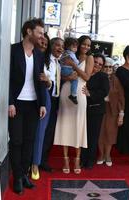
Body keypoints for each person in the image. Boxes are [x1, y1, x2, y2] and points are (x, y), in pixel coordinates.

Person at [8, 18, 46, 195]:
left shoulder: (39, 54)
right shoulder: (13, 50)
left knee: (29, 142)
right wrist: (10, 102)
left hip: (33, 104)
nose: (42, 36)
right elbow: (5, 79)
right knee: (16, 142)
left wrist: (43, 104)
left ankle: (24, 175)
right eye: (39, 32)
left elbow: (40, 80)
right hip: (16, 103)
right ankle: (16, 177)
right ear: (29, 32)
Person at [53, 35, 93, 174]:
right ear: (78, 44)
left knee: (78, 126)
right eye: (84, 44)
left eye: (89, 45)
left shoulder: (89, 58)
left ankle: (76, 159)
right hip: (66, 92)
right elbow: (59, 75)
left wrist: (74, 65)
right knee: (65, 126)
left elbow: (87, 77)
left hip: (80, 94)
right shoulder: (67, 55)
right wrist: (68, 77)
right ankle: (65, 159)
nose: (86, 47)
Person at [39, 38, 65, 172]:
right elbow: (43, 79)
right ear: (51, 46)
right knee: (42, 132)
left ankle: (43, 160)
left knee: (49, 133)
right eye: (57, 45)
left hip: (55, 101)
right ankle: (37, 161)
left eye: (62, 46)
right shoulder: (45, 60)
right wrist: (49, 83)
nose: (60, 48)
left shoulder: (58, 63)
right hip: (46, 99)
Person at [80, 53, 109, 169]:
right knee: (82, 135)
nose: (97, 65)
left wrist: (90, 93)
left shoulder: (103, 76)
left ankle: (90, 160)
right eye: (95, 62)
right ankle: (82, 159)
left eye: (100, 64)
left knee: (92, 136)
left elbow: (104, 92)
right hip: (82, 109)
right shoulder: (84, 72)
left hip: (96, 110)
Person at [31, 33, 53, 180]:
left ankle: (35, 164)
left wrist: (48, 81)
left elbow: (51, 84)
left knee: (39, 133)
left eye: (46, 44)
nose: (43, 46)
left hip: (44, 98)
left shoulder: (48, 62)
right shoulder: (27, 56)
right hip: (27, 99)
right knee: (27, 134)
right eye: (41, 43)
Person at [97, 57, 125, 166]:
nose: (108, 69)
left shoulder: (116, 80)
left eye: (110, 67)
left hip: (112, 110)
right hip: (99, 108)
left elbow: (121, 97)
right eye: (106, 67)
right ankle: (101, 155)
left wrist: (121, 113)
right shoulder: (98, 77)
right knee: (100, 133)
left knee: (110, 133)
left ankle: (108, 155)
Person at [60, 37, 79, 104]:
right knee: (75, 80)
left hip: (63, 69)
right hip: (67, 69)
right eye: (74, 46)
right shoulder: (70, 53)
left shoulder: (64, 53)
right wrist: (77, 63)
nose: (75, 48)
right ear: (68, 46)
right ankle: (73, 95)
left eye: (76, 47)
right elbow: (76, 62)